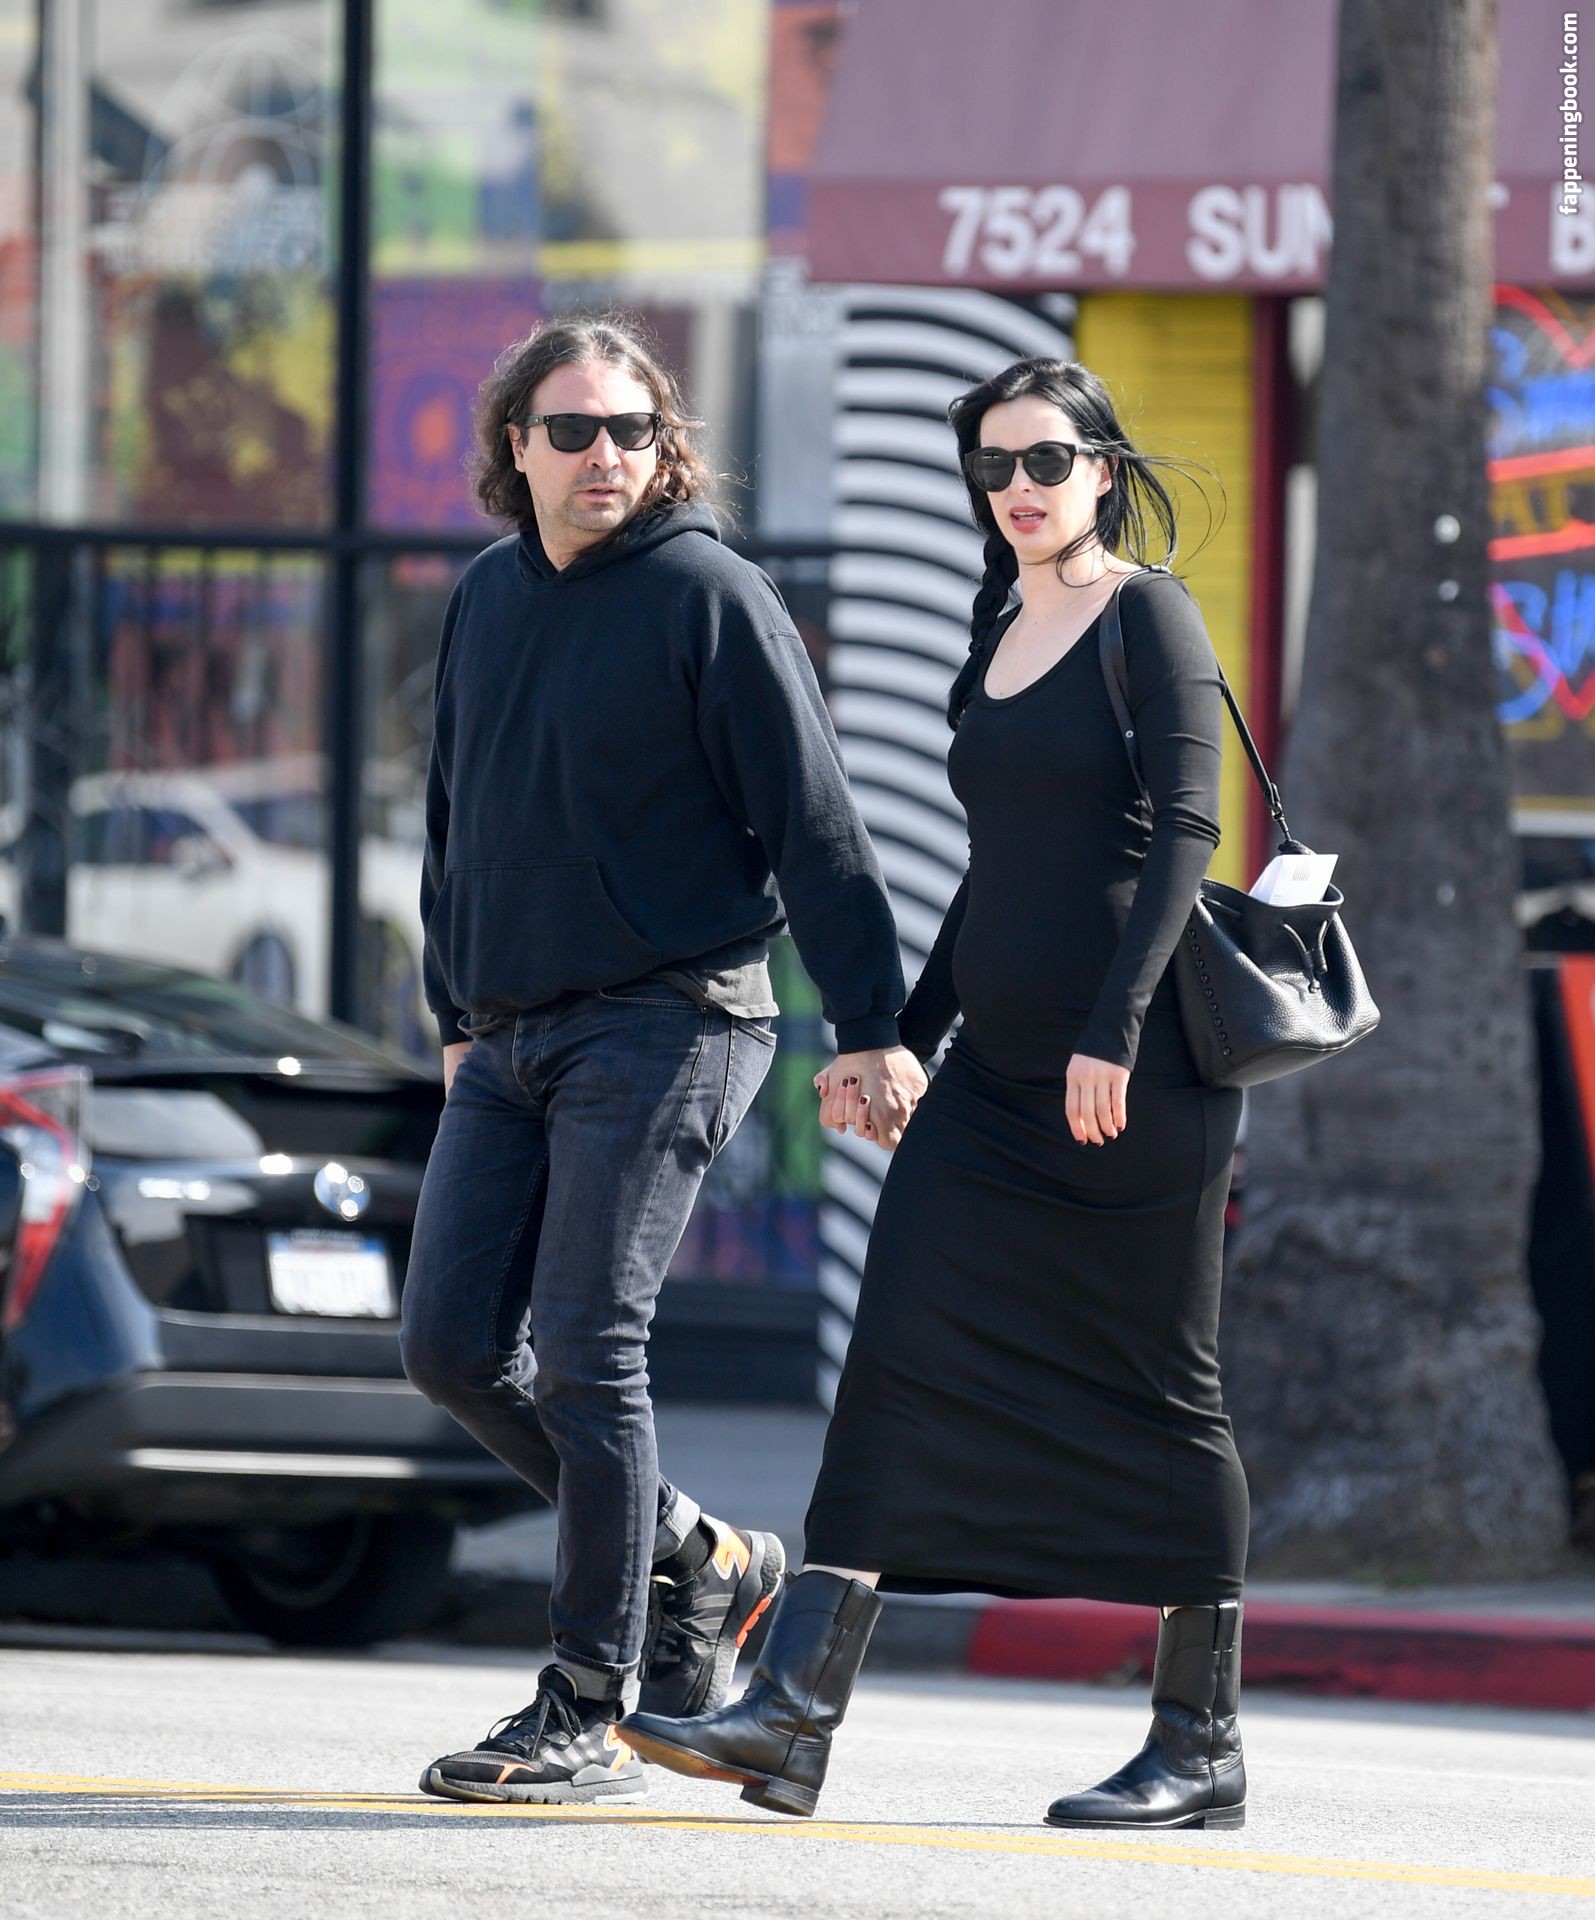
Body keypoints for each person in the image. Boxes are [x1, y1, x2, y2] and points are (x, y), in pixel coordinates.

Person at [622, 357, 1249, 1831]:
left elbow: (1187, 832)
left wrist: (1114, 1031)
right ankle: (789, 1718)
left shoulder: (1146, 613)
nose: (1018, 489)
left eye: (1046, 461)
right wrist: (899, 1034)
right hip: (997, 1080)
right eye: (993, 468)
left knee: (1163, 1384)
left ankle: (1202, 1744)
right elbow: (997, 875)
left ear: (1104, 468)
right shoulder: (1001, 617)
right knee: (896, 1352)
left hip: (1135, 1077)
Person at [400, 314, 927, 1806]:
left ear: (662, 445)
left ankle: (587, 1699)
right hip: (510, 1034)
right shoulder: (488, 595)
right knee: (450, 1348)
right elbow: (454, 813)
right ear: (517, 446)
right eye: (572, 430)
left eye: (631, 430)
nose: (605, 456)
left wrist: (872, 1027)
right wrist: (454, 1009)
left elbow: (817, 825)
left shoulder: (711, 594)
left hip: (672, 1015)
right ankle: (697, 1554)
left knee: (587, 1348)